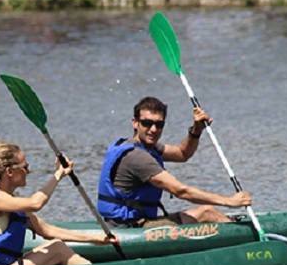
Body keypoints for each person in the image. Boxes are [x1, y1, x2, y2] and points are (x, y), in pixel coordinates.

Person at [0, 142, 117, 265]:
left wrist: (95, 239)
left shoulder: (12, 202)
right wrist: (58, 175)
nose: (29, 171)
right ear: (10, 171)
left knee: (56, 245)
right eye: (25, 166)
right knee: (57, 249)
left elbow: (47, 231)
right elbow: (35, 204)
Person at [96, 97, 252, 226]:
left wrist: (196, 130)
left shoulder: (146, 147)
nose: (153, 129)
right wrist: (229, 201)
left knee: (208, 213)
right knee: (207, 213)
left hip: (128, 221)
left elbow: (182, 153)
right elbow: (180, 191)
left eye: (159, 124)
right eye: (147, 123)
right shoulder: (137, 157)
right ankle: (247, 242)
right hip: (131, 226)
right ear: (135, 123)